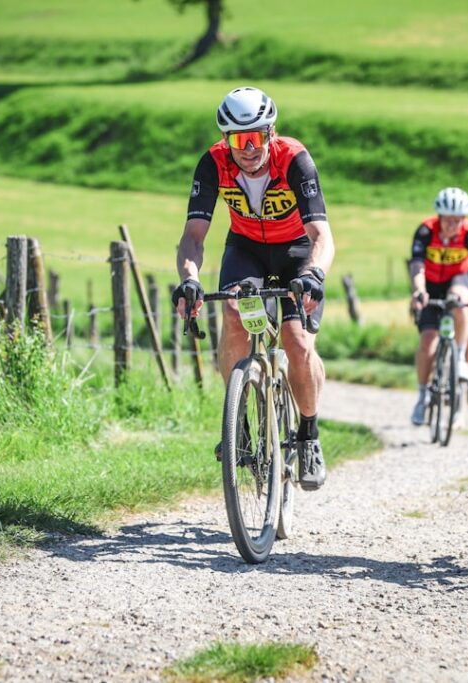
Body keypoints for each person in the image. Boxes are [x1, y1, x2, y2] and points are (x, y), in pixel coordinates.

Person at [173, 86, 335, 491]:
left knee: (296, 342)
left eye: (257, 137)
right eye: (238, 140)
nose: (248, 149)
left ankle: (309, 435)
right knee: (231, 312)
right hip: (246, 248)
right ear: (226, 141)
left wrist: (313, 273)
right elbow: (193, 236)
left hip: (297, 251)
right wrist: (189, 278)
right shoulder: (213, 164)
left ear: (271, 132)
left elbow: (322, 236)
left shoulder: (294, 159)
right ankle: (237, 427)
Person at [409, 187, 468, 426]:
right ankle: (422, 396)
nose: (452, 225)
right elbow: (417, 266)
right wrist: (419, 291)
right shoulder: (425, 231)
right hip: (431, 286)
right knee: (427, 343)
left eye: (457, 220)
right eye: (447, 220)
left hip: (459, 281)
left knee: (459, 300)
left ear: (464, 219)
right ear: (439, 217)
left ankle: (463, 364)